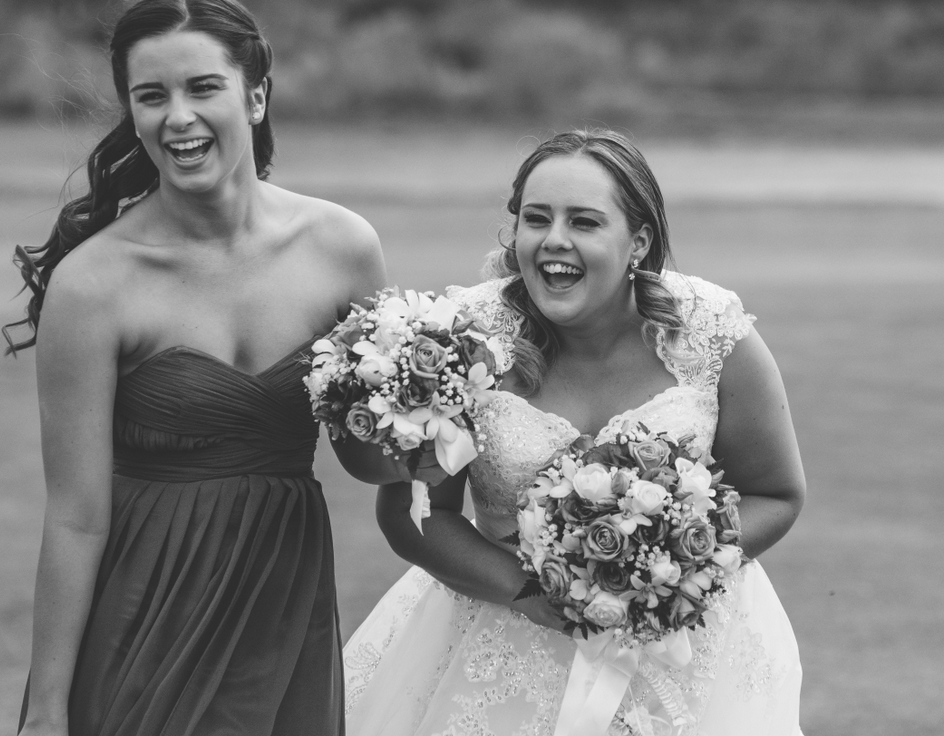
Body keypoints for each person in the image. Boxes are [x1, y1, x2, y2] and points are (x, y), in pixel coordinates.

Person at [7, 0, 386, 736]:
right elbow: (76, 518)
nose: (177, 116)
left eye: (203, 87)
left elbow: (366, 459)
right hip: (144, 615)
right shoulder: (94, 285)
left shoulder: (343, 249)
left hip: (283, 605)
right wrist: (45, 710)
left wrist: (431, 417)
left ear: (256, 96)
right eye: (151, 96)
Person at [339, 129, 807, 734]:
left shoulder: (711, 331)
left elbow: (777, 493)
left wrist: (673, 570)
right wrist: (540, 597)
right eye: (537, 219)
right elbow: (415, 514)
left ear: (639, 241)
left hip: (687, 650)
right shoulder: (460, 340)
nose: (554, 239)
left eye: (584, 221)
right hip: (504, 635)